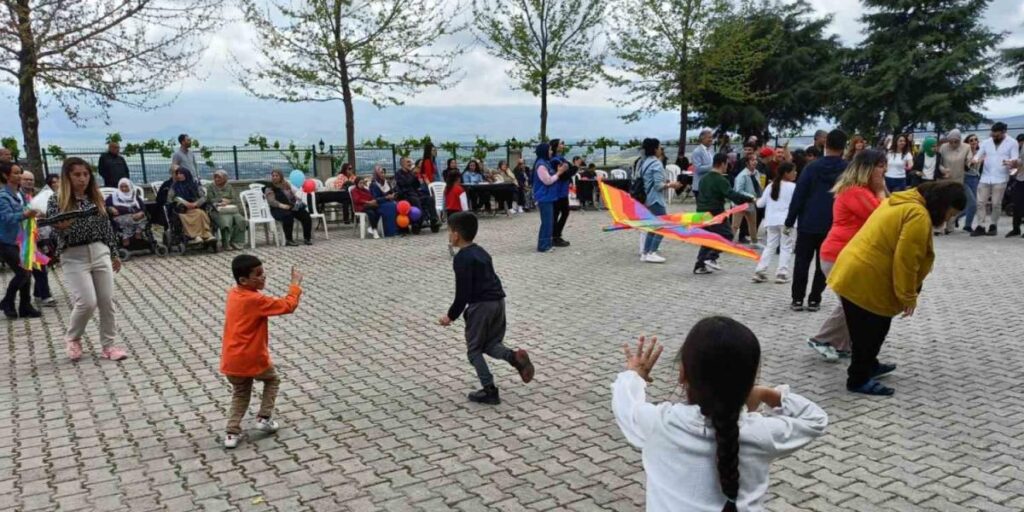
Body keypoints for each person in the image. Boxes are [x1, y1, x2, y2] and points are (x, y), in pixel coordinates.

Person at [612, 319, 828, 512]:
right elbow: (815, 420)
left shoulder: (659, 424)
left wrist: (634, 375)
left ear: (683, 373)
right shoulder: (761, 433)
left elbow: (626, 404)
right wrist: (768, 394)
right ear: (749, 381)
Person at [829, 181, 965, 395]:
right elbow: (907, 260)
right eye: (951, 213)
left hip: (855, 272)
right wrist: (908, 296)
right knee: (870, 332)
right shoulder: (917, 214)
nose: (948, 219)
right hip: (866, 278)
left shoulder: (901, 201)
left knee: (870, 328)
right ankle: (858, 379)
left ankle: (869, 366)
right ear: (943, 204)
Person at [437, 212, 534, 404]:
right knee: (490, 344)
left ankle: (489, 390)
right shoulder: (481, 252)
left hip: (480, 307)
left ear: (456, 235)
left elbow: (462, 293)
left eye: (449, 232)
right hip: (498, 302)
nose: (448, 236)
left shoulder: (462, 259)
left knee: (474, 351)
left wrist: (450, 316)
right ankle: (514, 358)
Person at [806, 150, 887, 362]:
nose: (884, 170)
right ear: (867, 169)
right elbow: (883, 216)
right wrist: (880, 190)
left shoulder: (861, 190)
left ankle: (841, 344)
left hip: (845, 254)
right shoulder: (855, 191)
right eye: (880, 165)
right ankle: (822, 339)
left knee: (852, 302)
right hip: (838, 254)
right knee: (853, 303)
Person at [47, 157, 127, 361]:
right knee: (86, 302)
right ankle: (73, 337)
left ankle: (108, 345)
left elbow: (105, 227)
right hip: (74, 255)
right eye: (77, 175)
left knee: (106, 301)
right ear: (68, 176)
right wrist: (62, 229)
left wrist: (114, 253)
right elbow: (54, 232)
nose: (82, 179)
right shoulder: (57, 200)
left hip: (99, 250)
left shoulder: (95, 197)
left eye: (85, 174)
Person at [221, 255, 302, 449]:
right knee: (272, 380)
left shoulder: (234, 293)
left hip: (231, 359)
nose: (263, 277)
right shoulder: (255, 299)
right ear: (243, 280)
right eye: (258, 275)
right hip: (252, 357)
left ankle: (232, 432)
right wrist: (295, 285)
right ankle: (264, 417)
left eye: (263, 272)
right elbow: (288, 306)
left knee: (240, 393)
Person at [784, 129, 848, 312]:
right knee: (824, 263)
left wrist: (790, 220)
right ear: (844, 147)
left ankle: (797, 299)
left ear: (826, 145)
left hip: (808, 222)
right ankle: (815, 299)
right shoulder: (848, 170)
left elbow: (799, 195)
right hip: (833, 223)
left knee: (802, 262)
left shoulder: (811, 168)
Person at [694, 154, 755, 274]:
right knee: (727, 235)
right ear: (722, 164)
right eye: (727, 164)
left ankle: (699, 266)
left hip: (701, 212)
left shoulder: (704, 179)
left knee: (708, 238)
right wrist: (749, 198)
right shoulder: (721, 179)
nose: (727, 167)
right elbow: (731, 195)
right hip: (715, 212)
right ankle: (711, 257)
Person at [0, 162, 41, 319]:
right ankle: (7, 301)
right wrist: (25, 215)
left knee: (28, 272)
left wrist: (34, 212)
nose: (20, 176)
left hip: (23, 239)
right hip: (7, 241)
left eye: (20, 172)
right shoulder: (3, 196)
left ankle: (25, 305)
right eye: (16, 173)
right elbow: (6, 218)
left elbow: (26, 210)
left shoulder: (21, 194)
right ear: (6, 175)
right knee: (22, 273)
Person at [638, 138, 683, 264]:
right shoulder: (656, 164)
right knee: (664, 226)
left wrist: (666, 183)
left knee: (653, 226)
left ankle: (646, 252)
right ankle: (652, 252)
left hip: (647, 198)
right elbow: (658, 185)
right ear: (655, 149)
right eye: (659, 147)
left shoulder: (645, 162)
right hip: (656, 199)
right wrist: (671, 185)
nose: (661, 150)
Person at [970, 122, 1018, 237]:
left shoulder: (1012, 143)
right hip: (985, 176)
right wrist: (975, 159)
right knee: (980, 202)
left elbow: (1015, 158)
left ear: (1003, 132)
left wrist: (1010, 162)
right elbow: (978, 155)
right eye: (993, 135)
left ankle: (993, 225)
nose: (994, 137)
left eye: (997, 136)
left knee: (996, 203)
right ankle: (980, 226)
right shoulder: (986, 143)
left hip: (1001, 177)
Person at [753, 162, 797, 283]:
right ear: (786, 173)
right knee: (786, 247)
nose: (795, 173)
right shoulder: (793, 187)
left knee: (770, 246)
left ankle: (760, 271)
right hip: (787, 221)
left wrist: (754, 199)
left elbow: (760, 204)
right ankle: (781, 273)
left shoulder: (771, 186)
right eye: (793, 171)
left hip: (771, 221)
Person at [19, 169, 55, 307]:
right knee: (38, 265)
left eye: (31, 180)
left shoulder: (38, 193)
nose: (29, 182)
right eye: (26, 179)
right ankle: (44, 296)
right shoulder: (18, 196)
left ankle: (39, 293)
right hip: (24, 237)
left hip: (41, 234)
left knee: (41, 264)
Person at [533, 143, 567, 252]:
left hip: (549, 196)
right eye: (549, 150)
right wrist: (559, 173)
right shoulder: (541, 165)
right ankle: (543, 245)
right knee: (546, 222)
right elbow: (547, 181)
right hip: (544, 197)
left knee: (549, 222)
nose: (551, 152)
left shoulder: (546, 163)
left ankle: (547, 243)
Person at [265, 169, 313, 246]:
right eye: (273, 176)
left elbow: (292, 196)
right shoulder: (270, 187)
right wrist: (282, 205)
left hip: (289, 206)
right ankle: (289, 240)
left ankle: (307, 238)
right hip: (277, 209)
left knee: (305, 215)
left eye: (276, 175)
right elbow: (271, 201)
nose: (274, 177)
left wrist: (297, 201)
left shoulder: (286, 184)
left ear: (281, 176)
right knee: (288, 216)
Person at [167, 167, 215, 243]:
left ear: (186, 174)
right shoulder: (174, 187)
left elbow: (203, 197)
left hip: (195, 207)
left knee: (201, 213)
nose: (179, 175)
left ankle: (207, 234)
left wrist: (195, 203)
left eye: (181, 173)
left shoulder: (194, 185)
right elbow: (170, 199)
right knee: (197, 214)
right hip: (182, 210)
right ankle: (197, 236)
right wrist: (183, 202)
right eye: (177, 174)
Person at [937, 130, 972, 235]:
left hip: (958, 179)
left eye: (956, 141)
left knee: (954, 203)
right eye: (951, 142)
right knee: (943, 203)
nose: (953, 144)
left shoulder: (966, 147)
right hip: (945, 179)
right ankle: (939, 227)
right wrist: (943, 170)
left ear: (960, 140)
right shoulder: (943, 147)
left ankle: (950, 227)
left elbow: (969, 161)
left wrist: (970, 163)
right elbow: (938, 162)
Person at [205, 170, 246, 250]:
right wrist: (221, 201)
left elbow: (235, 199)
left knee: (240, 220)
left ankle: (236, 242)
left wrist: (229, 201)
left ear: (225, 178)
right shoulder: (211, 187)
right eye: (215, 177)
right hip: (217, 211)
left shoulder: (229, 187)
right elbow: (209, 199)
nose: (217, 179)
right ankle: (225, 243)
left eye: (219, 177)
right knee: (226, 222)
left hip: (231, 210)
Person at [105, 178, 150, 247]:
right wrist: (110, 208)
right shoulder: (114, 196)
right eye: (121, 187)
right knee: (133, 220)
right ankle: (126, 237)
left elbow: (143, 207)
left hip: (136, 216)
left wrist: (141, 213)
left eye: (126, 186)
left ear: (130, 186)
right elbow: (104, 205)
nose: (123, 189)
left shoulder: (134, 196)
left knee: (145, 218)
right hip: (120, 217)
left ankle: (137, 233)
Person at [731, 155, 762, 246]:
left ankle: (754, 242)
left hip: (751, 203)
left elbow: (758, 187)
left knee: (753, 223)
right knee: (735, 225)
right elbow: (739, 191)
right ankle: (728, 242)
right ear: (747, 163)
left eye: (755, 160)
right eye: (752, 160)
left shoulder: (756, 173)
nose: (755, 162)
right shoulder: (742, 175)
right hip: (740, 203)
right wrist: (751, 196)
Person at [549, 139, 573, 247]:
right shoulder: (554, 160)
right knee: (557, 214)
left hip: (563, 191)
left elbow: (568, 170)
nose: (563, 146)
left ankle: (556, 235)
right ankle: (555, 236)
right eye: (561, 144)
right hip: (557, 192)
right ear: (555, 146)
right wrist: (575, 167)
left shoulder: (561, 158)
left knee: (565, 212)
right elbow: (564, 175)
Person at [960, 134, 982, 232]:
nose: (974, 141)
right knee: (972, 204)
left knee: (972, 205)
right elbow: (965, 168)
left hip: (975, 179)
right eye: (971, 140)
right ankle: (967, 226)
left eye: (975, 140)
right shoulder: (964, 153)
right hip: (965, 179)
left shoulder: (980, 153)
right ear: (967, 143)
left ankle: (955, 219)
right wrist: (972, 162)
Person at [1006, 133, 1024, 238]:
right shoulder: (1020, 149)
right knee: (1016, 204)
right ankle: (1015, 228)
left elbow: (1020, 163)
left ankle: (1016, 229)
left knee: (1017, 204)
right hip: (1020, 179)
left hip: (1020, 178)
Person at [691, 129, 714, 199]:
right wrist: (714, 167)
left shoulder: (710, 150)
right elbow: (698, 169)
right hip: (700, 187)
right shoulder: (697, 151)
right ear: (702, 139)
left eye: (711, 137)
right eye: (709, 137)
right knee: (703, 210)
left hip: (709, 186)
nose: (711, 139)